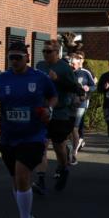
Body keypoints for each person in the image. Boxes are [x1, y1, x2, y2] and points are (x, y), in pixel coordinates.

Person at [0, 40, 56, 218]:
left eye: (18, 57)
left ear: (27, 58)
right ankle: (27, 217)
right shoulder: (2, 79)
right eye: (11, 57)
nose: (14, 61)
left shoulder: (39, 78)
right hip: (9, 137)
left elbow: (53, 96)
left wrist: (49, 110)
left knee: (22, 174)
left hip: (33, 136)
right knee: (16, 181)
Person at [34, 39, 80, 192]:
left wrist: (57, 80)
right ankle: (40, 180)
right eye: (44, 51)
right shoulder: (40, 66)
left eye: (49, 51)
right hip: (43, 111)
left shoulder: (65, 68)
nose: (45, 54)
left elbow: (75, 88)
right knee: (41, 146)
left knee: (58, 146)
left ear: (57, 52)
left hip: (60, 113)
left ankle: (64, 168)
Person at [69, 51, 96, 163]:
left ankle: (74, 152)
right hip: (68, 104)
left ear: (79, 62)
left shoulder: (85, 72)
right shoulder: (67, 73)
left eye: (74, 64)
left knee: (74, 128)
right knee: (69, 129)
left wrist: (88, 88)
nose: (72, 66)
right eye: (70, 64)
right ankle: (74, 144)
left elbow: (94, 86)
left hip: (81, 104)